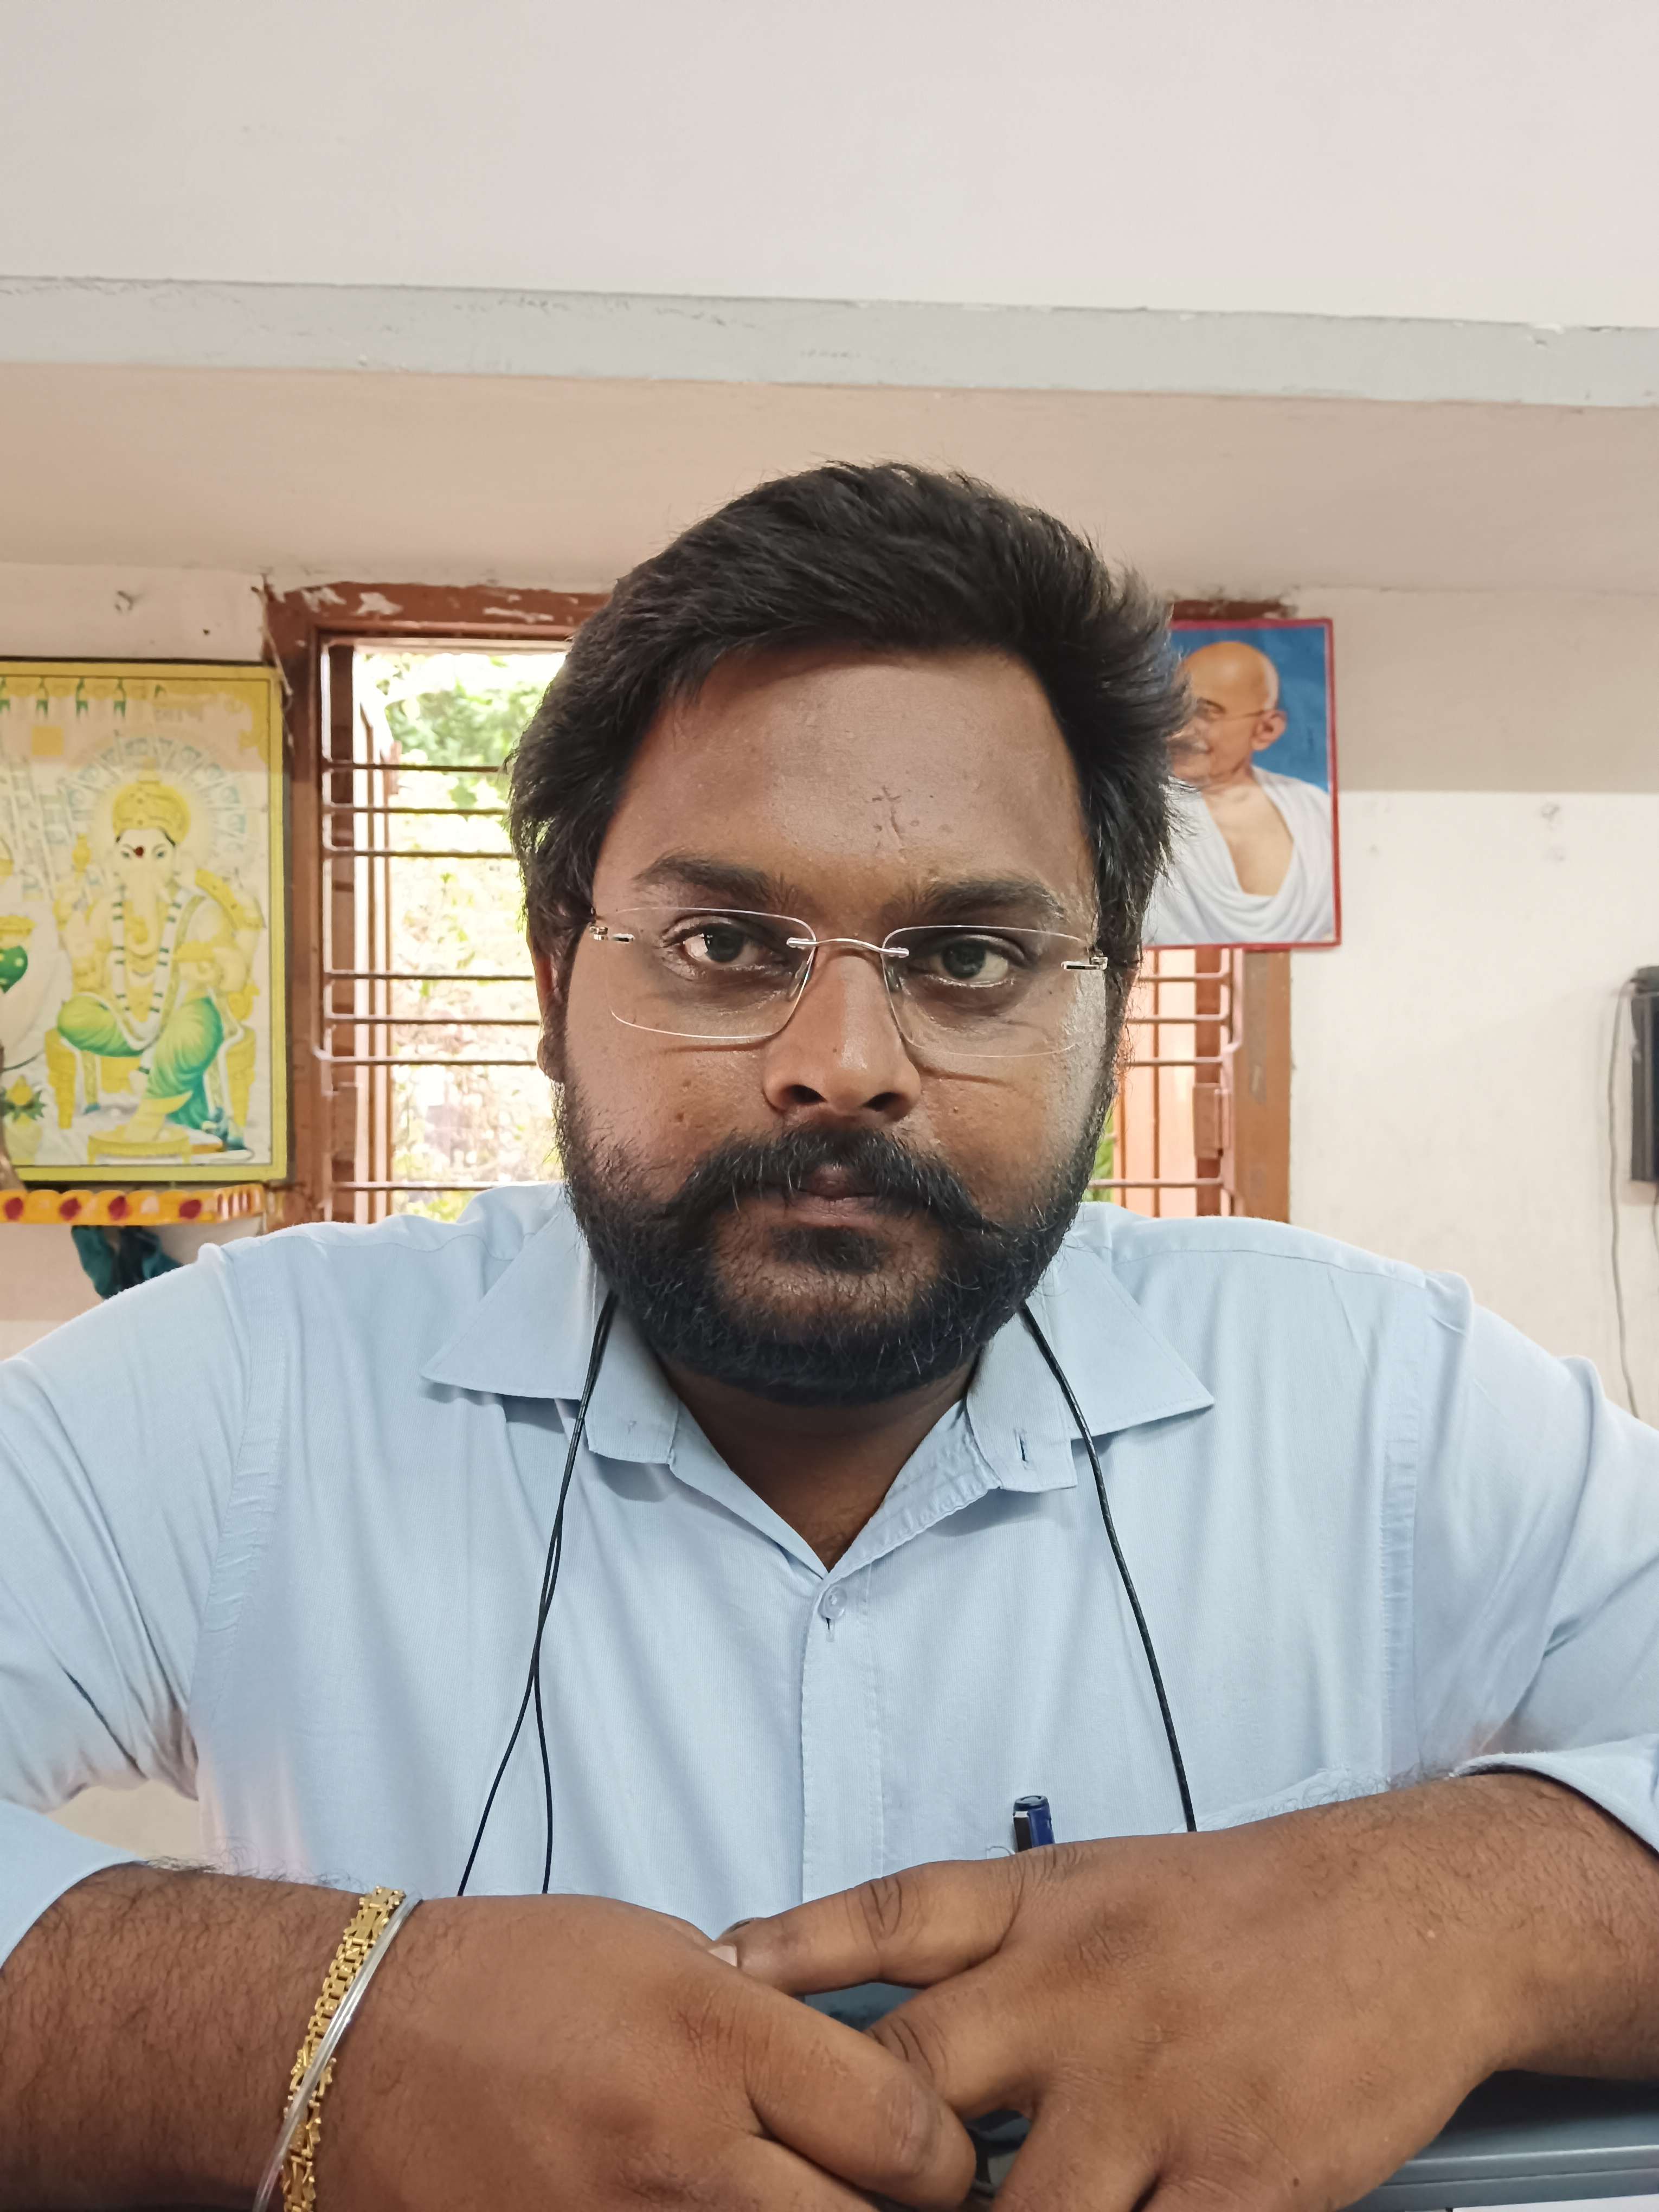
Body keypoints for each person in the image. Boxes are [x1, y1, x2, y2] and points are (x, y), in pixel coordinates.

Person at [2, 465, 1658, 2212]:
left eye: (970, 958)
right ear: (557, 976)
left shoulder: (1376, 1395)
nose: (843, 1063)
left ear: (1107, 1003)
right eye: (726, 943)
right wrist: (316, 2033)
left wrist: (1468, 1903)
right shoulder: (247, 1389)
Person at [1143, 637, 1335, 944]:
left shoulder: (1314, 812)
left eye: (1206, 712)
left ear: (1266, 730)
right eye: (1175, 709)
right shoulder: (1141, 810)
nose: (1179, 731)